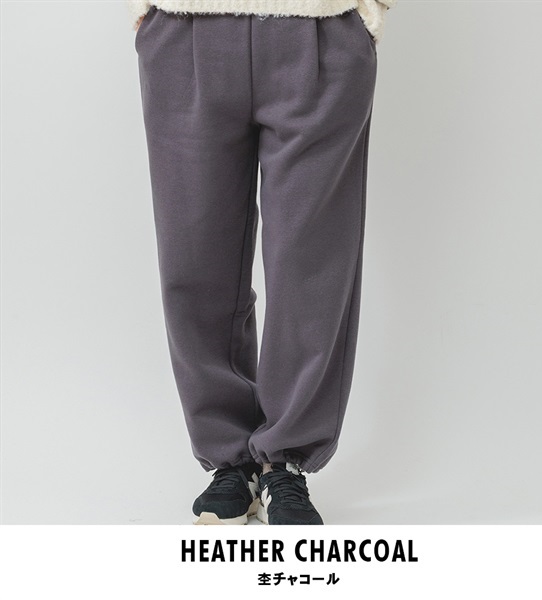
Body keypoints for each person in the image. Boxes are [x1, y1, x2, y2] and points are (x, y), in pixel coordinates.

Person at [128, 0, 396, 525]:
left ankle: (285, 460)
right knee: (193, 259)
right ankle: (230, 459)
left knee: (312, 265)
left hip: (320, 29)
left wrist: (369, 13)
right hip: (184, 29)